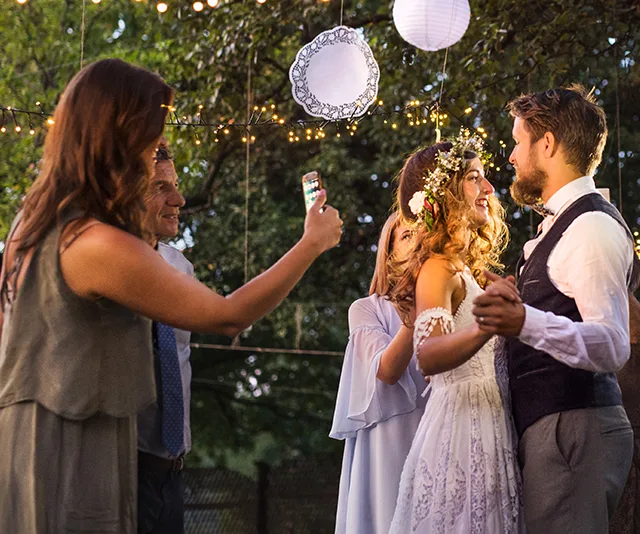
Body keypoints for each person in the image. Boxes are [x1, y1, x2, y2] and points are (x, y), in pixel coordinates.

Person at [0, 58, 342, 533]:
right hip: (73, 446)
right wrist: (311, 244)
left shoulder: (33, 223)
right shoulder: (95, 242)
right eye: (151, 140)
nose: (154, 154)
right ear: (118, 137)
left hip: (31, 439)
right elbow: (227, 317)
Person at [472, 85, 638, 534]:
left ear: (547, 144)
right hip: (557, 433)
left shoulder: (590, 228)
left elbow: (611, 345)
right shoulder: (561, 227)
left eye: (516, 141)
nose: (510, 157)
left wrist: (524, 320)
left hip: (573, 432)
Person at [387, 131, 523, 534]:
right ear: (444, 190)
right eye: (473, 178)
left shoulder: (467, 271)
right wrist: (489, 324)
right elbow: (428, 355)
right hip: (462, 432)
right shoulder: (438, 268)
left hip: (491, 423)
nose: (488, 188)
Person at [330, 211, 429, 534]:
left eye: (422, 233)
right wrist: (414, 316)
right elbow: (386, 370)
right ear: (388, 255)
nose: (416, 242)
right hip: (388, 444)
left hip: (438, 434)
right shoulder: (367, 309)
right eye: (405, 236)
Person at [136, 139, 191, 534]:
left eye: (175, 185)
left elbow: (229, 316)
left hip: (173, 471)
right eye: (161, 188)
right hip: (123, 468)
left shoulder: (180, 267)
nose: (179, 198)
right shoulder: (103, 265)